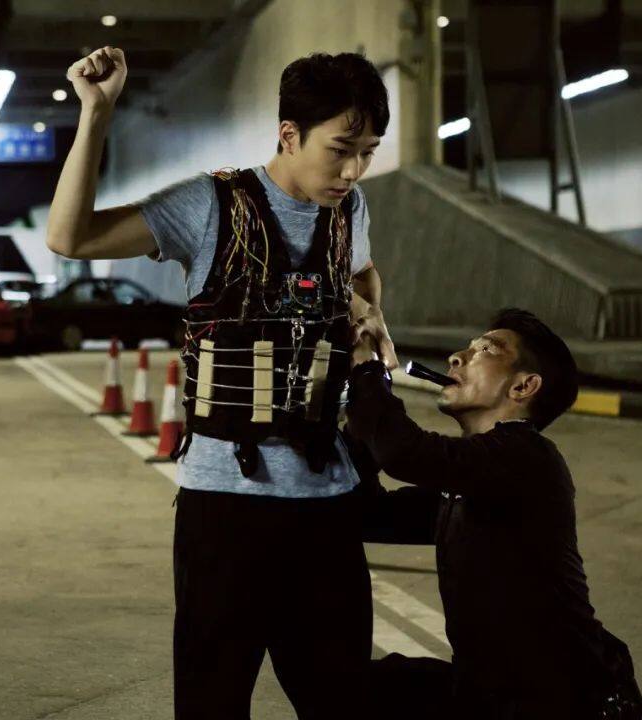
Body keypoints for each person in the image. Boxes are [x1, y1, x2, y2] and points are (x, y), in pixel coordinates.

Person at [46, 47, 395, 719]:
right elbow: (71, 237)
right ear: (289, 134)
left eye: (368, 154)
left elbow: (359, 271)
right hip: (227, 509)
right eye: (340, 150)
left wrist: (368, 309)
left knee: (344, 700)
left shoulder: (351, 210)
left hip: (329, 503)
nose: (353, 171)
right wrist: (97, 115)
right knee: (214, 703)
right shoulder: (210, 206)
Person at [346, 309, 642, 719]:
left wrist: (368, 371)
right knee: (349, 688)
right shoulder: (473, 479)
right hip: (490, 695)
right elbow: (369, 514)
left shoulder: (529, 459)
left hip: (569, 702)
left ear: (523, 386)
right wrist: (356, 422)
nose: (457, 357)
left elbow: (406, 453)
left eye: (485, 350)